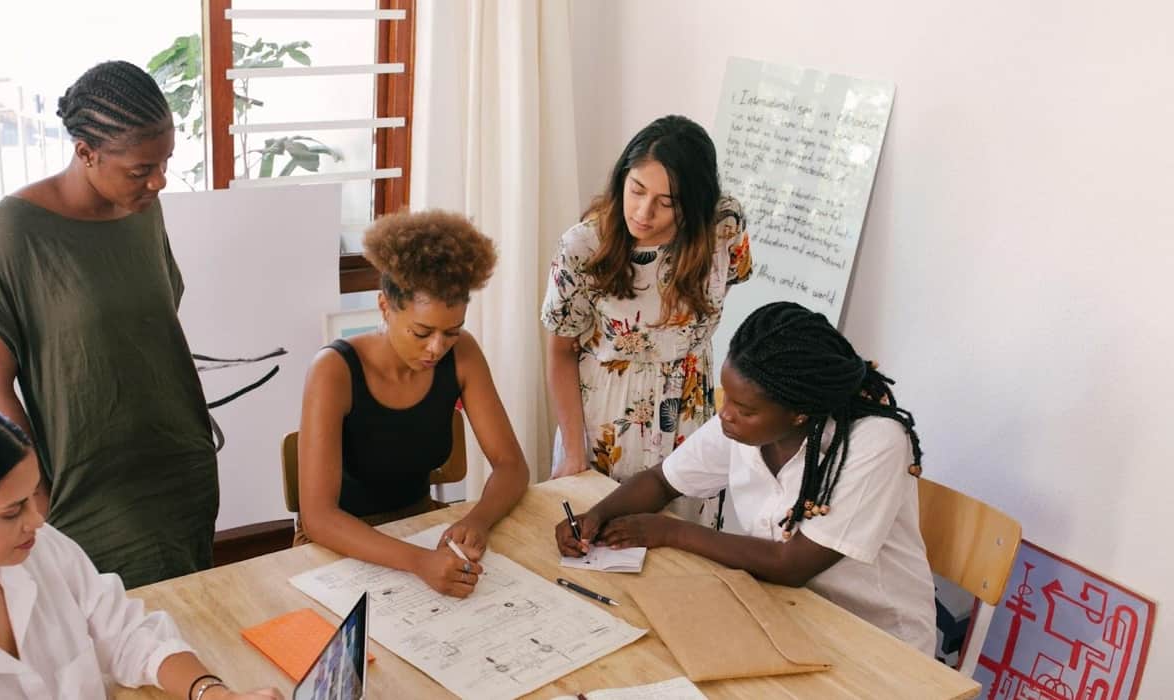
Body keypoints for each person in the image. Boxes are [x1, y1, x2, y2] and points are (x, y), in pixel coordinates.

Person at [555, 302, 937, 655]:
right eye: (728, 400)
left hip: (877, 641)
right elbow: (662, 481)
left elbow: (792, 564)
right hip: (788, 613)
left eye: (744, 409)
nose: (725, 415)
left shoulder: (875, 441)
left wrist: (671, 532)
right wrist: (597, 516)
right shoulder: (744, 426)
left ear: (799, 413)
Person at [0, 60, 218, 588]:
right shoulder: (16, 232)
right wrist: (34, 494)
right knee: (110, 638)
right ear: (86, 152)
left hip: (179, 464)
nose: (159, 180)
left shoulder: (143, 208)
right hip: (89, 485)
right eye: (140, 169)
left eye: (165, 161)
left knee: (190, 620)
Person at [0, 400, 280, 699]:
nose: (36, 520)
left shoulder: (40, 549)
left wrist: (212, 693)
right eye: (11, 511)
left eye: (33, 496)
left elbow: (125, 633)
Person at [297, 210, 529, 598]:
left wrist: (478, 520)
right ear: (385, 307)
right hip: (338, 545)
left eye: (451, 332)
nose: (437, 348)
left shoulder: (462, 354)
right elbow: (318, 518)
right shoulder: (334, 370)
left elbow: (511, 465)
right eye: (422, 332)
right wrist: (419, 562)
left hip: (418, 526)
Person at [541, 114, 752, 526]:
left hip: (690, 416)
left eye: (666, 202)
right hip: (607, 421)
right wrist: (574, 452)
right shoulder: (584, 246)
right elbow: (560, 351)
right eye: (636, 189)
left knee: (685, 555)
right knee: (598, 544)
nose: (643, 211)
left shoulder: (723, 227)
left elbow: (732, 279)